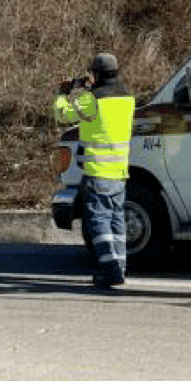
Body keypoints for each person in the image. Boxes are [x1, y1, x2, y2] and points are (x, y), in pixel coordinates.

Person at [53, 53, 135, 289]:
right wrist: (87, 88)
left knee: (99, 223)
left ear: (97, 74)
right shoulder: (126, 97)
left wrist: (64, 93)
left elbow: (63, 114)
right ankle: (119, 268)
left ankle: (109, 272)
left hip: (97, 172)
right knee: (117, 223)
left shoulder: (93, 100)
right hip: (119, 172)